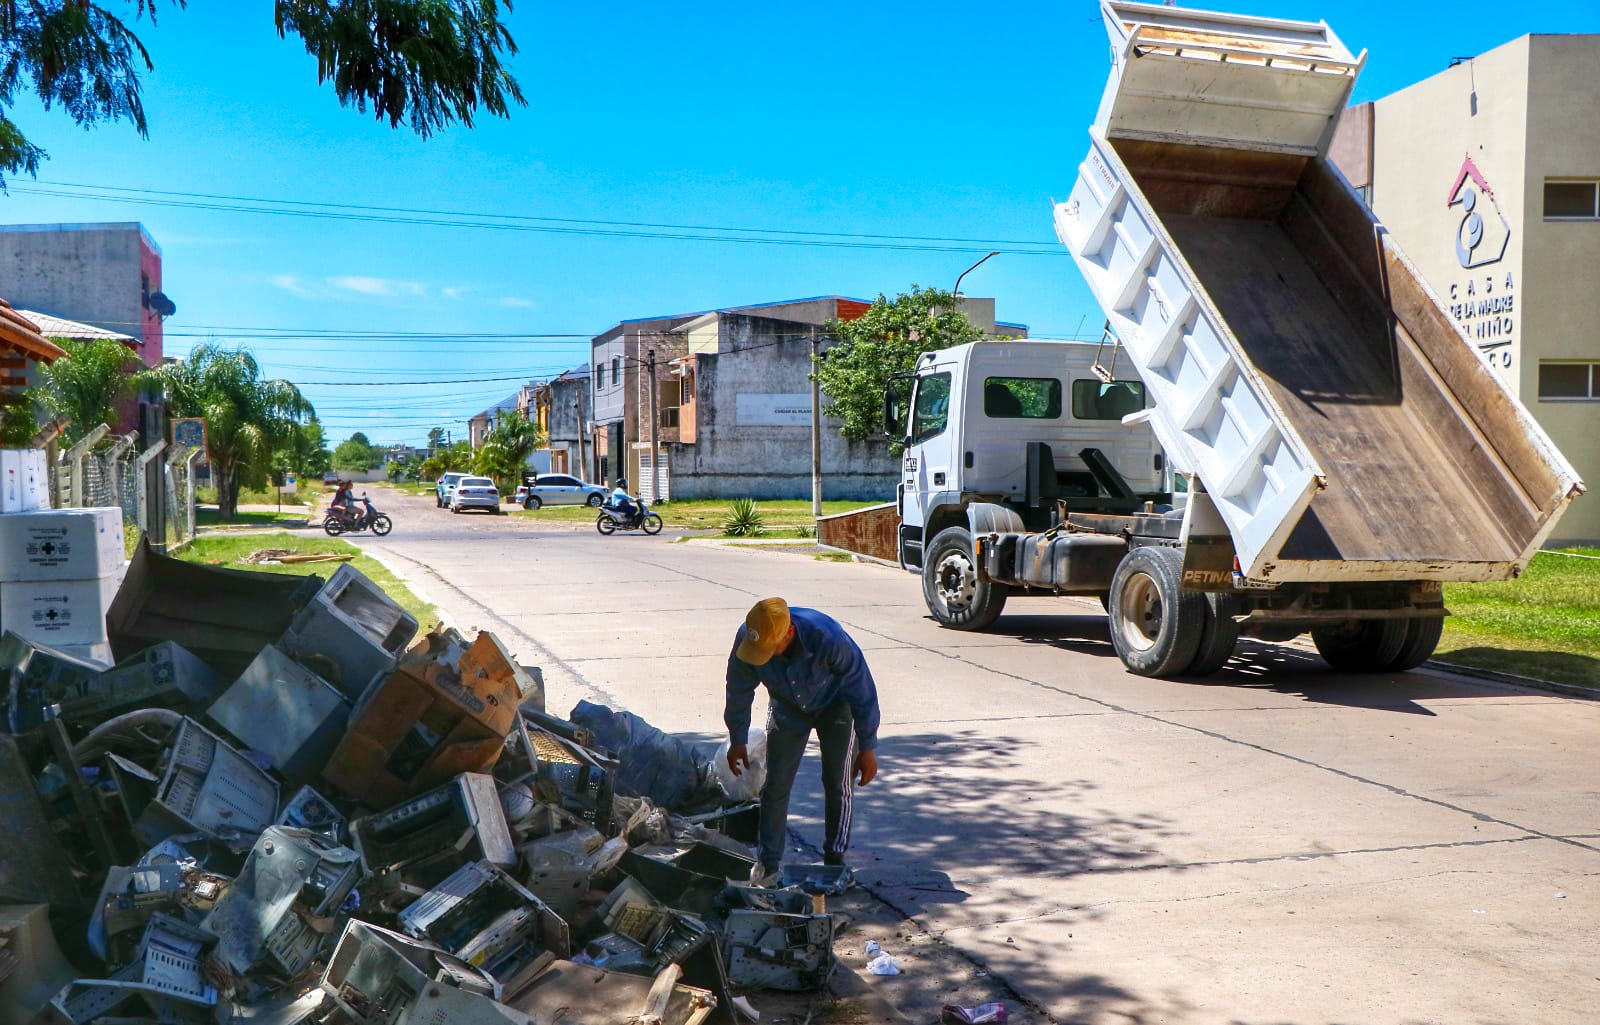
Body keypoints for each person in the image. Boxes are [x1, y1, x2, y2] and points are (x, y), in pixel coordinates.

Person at [725, 597, 880, 886]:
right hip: (787, 707)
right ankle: (768, 864)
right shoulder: (748, 640)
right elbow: (738, 690)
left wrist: (868, 746)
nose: (763, 657)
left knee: (838, 782)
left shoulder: (829, 639)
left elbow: (863, 691)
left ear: (789, 634)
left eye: (769, 651)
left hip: (837, 705)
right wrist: (738, 739)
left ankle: (835, 861)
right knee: (776, 785)